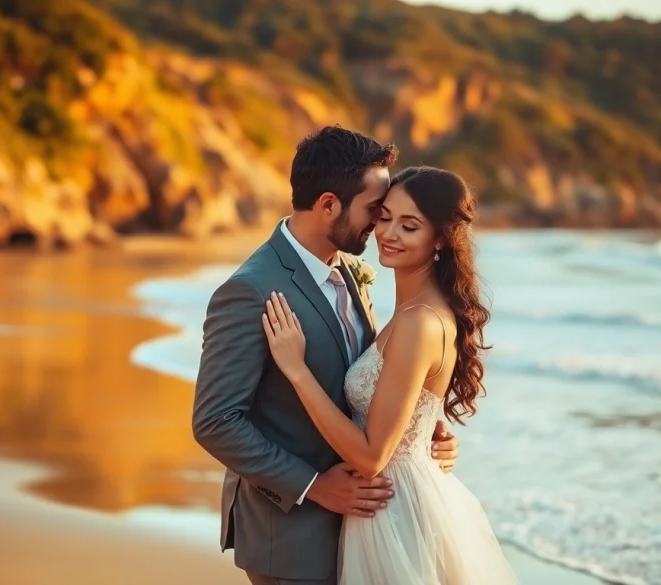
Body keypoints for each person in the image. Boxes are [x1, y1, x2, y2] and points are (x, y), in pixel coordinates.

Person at [192, 127, 460, 585]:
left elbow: (367, 376)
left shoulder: (352, 271)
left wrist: (416, 426)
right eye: (376, 210)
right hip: (290, 535)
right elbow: (215, 421)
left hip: (364, 525)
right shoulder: (250, 291)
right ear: (329, 205)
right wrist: (314, 487)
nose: (381, 227)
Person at [261, 166, 519, 584]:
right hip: (386, 500)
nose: (389, 233)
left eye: (410, 225)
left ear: (439, 239)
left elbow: (370, 457)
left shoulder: (420, 321)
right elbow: (406, 408)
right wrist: (424, 430)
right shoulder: (410, 311)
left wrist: (296, 371)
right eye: (385, 217)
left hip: (393, 509)